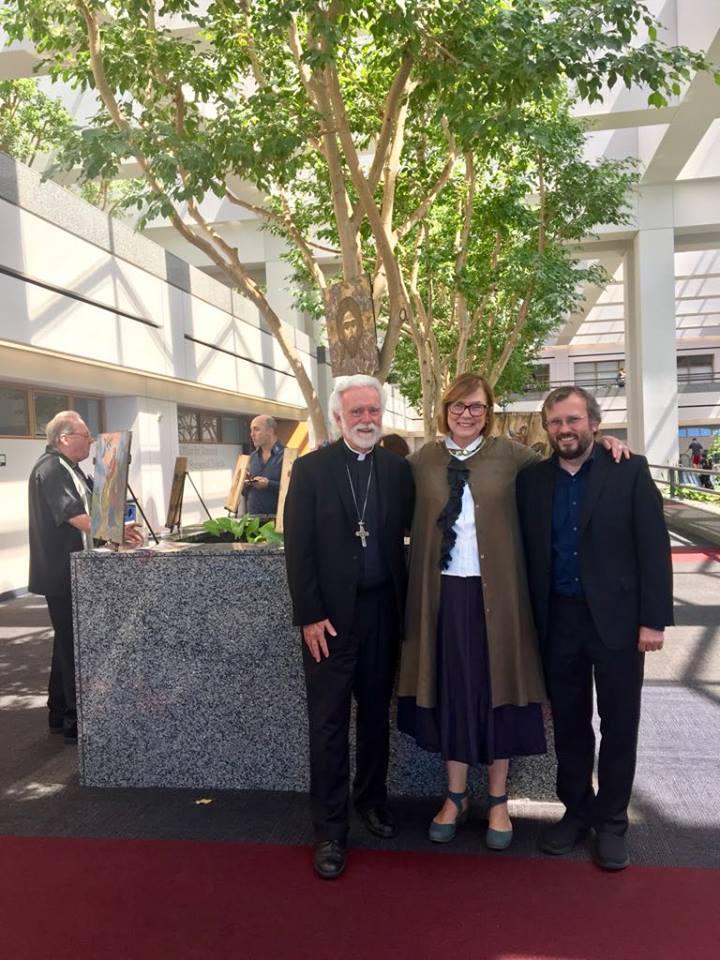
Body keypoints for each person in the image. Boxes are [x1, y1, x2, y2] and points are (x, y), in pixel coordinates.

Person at [516, 386, 673, 871]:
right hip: (558, 621)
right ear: (547, 428)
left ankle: (613, 822)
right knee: (569, 723)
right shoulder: (531, 481)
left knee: (620, 723)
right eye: (556, 422)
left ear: (594, 424)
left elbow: (653, 546)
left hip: (619, 623)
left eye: (573, 420)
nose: (565, 429)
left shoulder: (629, 470)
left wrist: (653, 619)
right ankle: (576, 811)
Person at [397, 373, 547, 851]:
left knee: (499, 690)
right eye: (459, 406)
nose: (467, 415)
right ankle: (455, 796)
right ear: (445, 410)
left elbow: (564, 466)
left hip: (500, 599)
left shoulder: (513, 457)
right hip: (442, 597)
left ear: (489, 412)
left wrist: (604, 444)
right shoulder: (421, 461)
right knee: (453, 691)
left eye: (477, 407)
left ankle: (498, 801)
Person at [283, 375, 414, 880]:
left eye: (373, 411)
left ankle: (372, 801)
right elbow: (298, 548)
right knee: (329, 723)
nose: (366, 419)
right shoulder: (312, 470)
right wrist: (309, 615)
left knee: (376, 715)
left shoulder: (397, 469)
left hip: (383, 611)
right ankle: (330, 828)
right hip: (330, 620)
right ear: (339, 417)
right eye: (356, 411)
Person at [28, 411, 143, 741]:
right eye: (85, 436)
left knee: (65, 642)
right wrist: (116, 531)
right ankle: (75, 722)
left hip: (73, 569)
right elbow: (75, 516)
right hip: (63, 572)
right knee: (73, 645)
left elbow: (96, 510)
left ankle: (57, 710)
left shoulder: (70, 468)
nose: (91, 441)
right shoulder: (51, 469)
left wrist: (114, 529)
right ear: (65, 439)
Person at [243, 415, 284, 516]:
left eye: (256, 429)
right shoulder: (252, 457)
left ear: (270, 431)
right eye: (251, 430)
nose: (252, 434)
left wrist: (269, 484)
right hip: (253, 520)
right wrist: (244, 484)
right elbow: (246, 493)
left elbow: (295, 491)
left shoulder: (288, 457)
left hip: (278, 520)